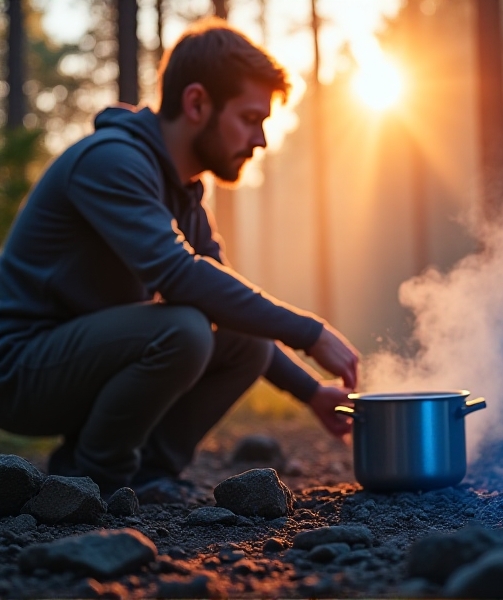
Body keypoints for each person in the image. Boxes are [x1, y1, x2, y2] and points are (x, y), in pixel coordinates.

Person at [0, 18, 359, 499]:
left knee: (245, 339)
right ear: (196, 103)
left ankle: (148, 473)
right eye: (250, 118)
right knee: (184, 329)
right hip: (19, 372)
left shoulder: (184, 195)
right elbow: (178, 275)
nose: (260, 140)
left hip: (78, 366)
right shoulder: (111, 161)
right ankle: (96, 477)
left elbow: (224, 298)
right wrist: (310, 332)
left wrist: (312, 392)